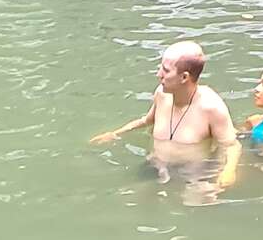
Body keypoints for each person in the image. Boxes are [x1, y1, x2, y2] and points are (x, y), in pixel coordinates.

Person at [89, 41, 240, 200]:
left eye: (166, 71)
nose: (158, 74)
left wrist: (229, 171)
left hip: (192, 172)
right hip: (156, 165)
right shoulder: (161, 94)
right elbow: (146, 121)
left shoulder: (211, 108)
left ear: (184, 77)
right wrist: (115, 134)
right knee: (124, 196)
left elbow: (231, 145)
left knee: (194, 202)